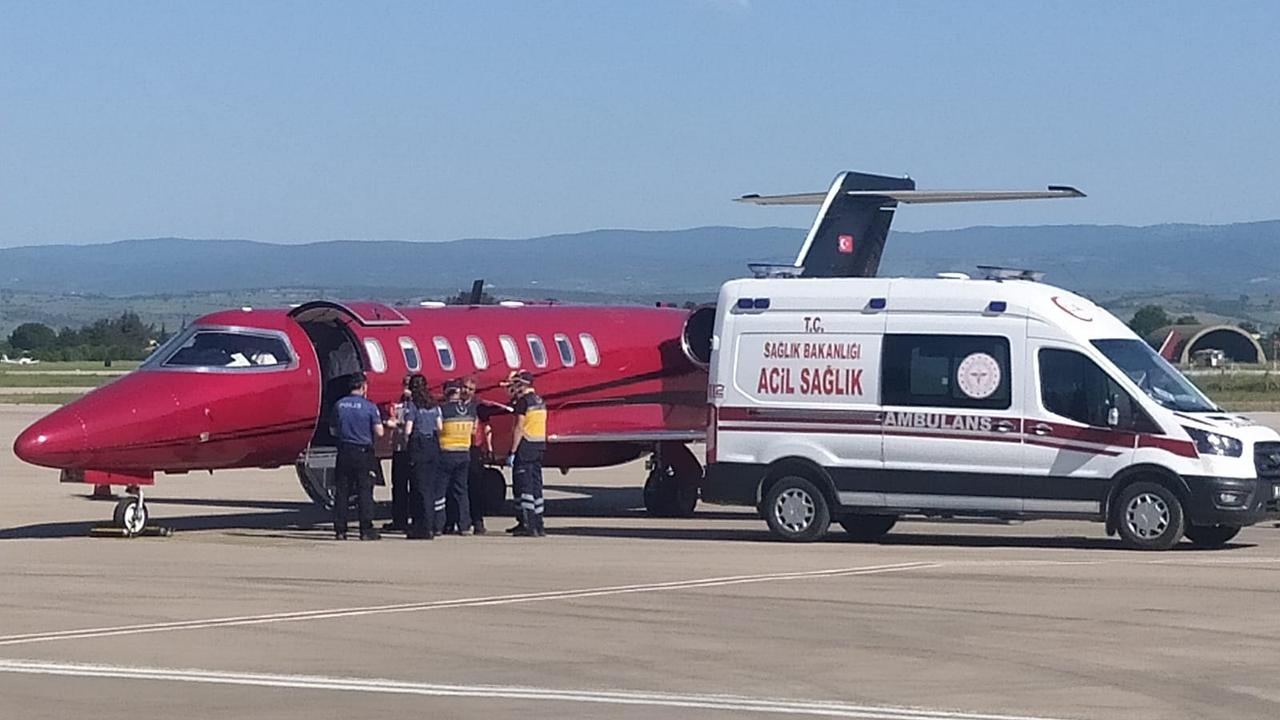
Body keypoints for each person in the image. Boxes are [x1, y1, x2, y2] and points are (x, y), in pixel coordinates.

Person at [330, 372, 383, 541]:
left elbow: (333, 429)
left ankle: (340, 530)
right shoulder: (369, 407)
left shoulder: (339, 405)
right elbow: (379, 432)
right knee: (364, 491)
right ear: (363, 386)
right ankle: (365, 529)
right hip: (363, 452)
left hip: (344, 450)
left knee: (342, 491)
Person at [502, 369, 547, 537]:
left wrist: (512, 451)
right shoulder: (540, 400)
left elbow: (519, 427)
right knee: (536, 486)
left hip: (526, 446)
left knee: (524, 486)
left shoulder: (523, 402)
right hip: (539, 445)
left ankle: (528, 524)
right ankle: (539, 523)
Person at [403, 375, 443, 539]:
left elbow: (408, 430)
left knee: (418, 488)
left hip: (418, 446)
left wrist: (407, 442)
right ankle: (431, 524)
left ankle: (421, 526)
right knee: (430, 487)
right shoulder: (434, 405)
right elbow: (440, 427)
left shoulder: (413, 406)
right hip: (432, 445)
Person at [437, 379, 477, 535]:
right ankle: (464, 525)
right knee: (461, 491)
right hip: (464, 453)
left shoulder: (442, 409)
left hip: (446, 452)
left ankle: (438, 524)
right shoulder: (470, 410)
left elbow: (437, 428)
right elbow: (473, 431)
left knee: (440, 491)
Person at [383, 375, 415, 533]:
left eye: (410, 384)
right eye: (405, 384)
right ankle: (399, 519)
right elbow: (392, 418)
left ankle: (417, 518)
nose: (407, 387)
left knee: (416, 486)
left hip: (414, 450)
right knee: (399, 485)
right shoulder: (397, 405)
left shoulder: (421, 405)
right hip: (399, 448)